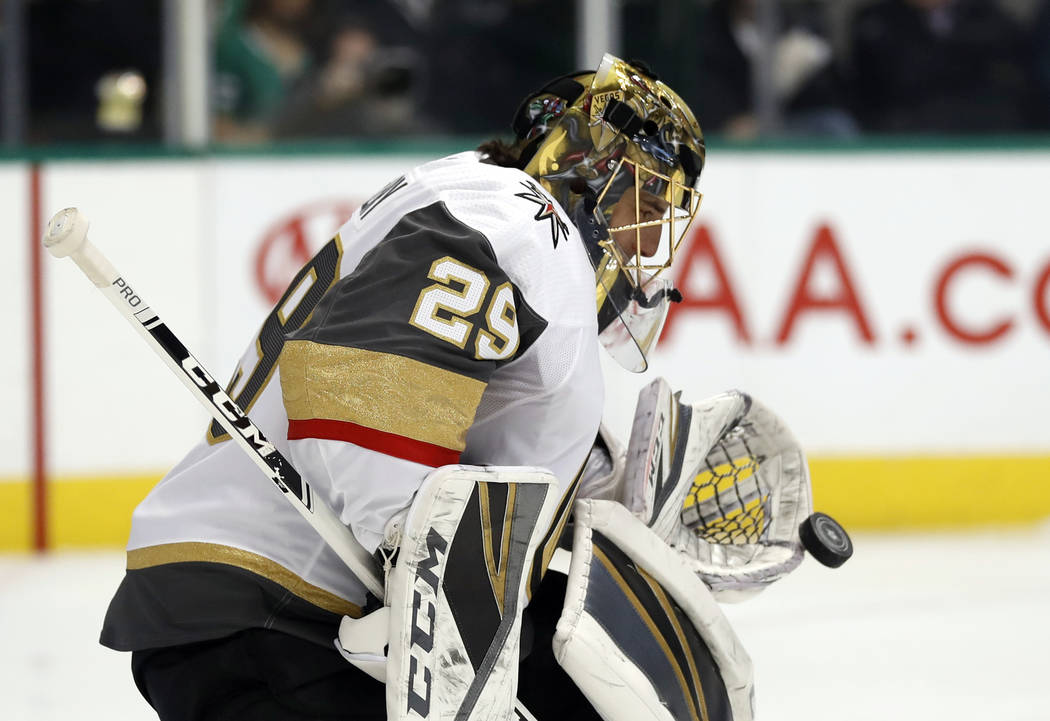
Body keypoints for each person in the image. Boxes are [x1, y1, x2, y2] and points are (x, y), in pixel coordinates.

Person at [99, 55, 707, 719]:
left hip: (267, 610)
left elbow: (472, 418)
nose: (648, 237)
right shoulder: (522, 225)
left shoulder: (482, 199)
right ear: (586, 165)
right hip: (277, 615)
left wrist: (605, 486)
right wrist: (423, 575)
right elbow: (359, 379)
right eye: (643, 201)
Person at [848, 0, 1031, 133]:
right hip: (901, 134)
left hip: (979, 133)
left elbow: (1012, 85)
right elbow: (867, 93)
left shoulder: (992, 19)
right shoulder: (875, 23)